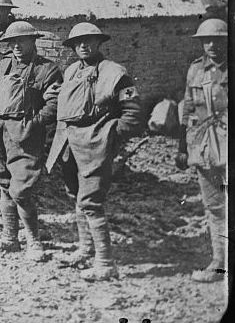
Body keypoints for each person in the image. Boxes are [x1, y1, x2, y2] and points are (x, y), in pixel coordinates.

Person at [46, 22, 142, 281]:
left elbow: (132, 113)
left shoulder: (115, 73)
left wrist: (110, 135)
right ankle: (85, 249)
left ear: (99, 42)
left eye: (89, 40)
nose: (83, 45)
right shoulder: (71, 71)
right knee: (76, 195)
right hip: (69, 142)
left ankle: (106, 262)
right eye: (78, 42)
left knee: (91, 202)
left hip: (96, 143)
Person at [0, 20, 61, 261]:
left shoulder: (47, 69)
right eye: (12, 42)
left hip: (24, 136)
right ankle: (9, 237)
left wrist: (34, 123)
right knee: (3, 185)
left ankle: (33, 241)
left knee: (22, 190)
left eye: (21, 41)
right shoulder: (3, 65)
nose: (16, 46)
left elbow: (54, 103)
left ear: (33, 41)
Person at [175, 18, 228, 282]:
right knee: (214, 205)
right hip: (204, 145)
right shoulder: (195, 70)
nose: (212, 45)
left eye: (218, 40)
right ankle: (219, 262)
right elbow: (187, 107)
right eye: (206, 41)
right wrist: (182, 146)